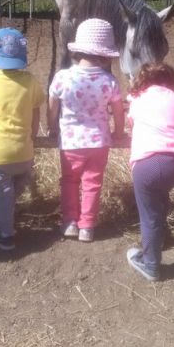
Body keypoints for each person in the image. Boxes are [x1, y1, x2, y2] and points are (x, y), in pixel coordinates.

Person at [48, 18, 125, 243]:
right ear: (105, 55)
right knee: (92, 183)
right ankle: (87, 226)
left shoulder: (62, 77)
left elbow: (52, 106)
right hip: (99, 142)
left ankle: (70, 222)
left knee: (69, 181)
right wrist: (118, 132)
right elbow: (118, 111)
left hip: (70, 142)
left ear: (79, 49)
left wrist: (53, 127)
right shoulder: (109, 81)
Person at [0, 28, 45, 251]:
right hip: (25, 151)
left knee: (3, 194)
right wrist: (32, 135)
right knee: (18, 184)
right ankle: (2, 215)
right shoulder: (31, 81)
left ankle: (5, 234)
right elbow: (36, 111)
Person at [124, 62, 174, 281]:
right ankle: (161, 238)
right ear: (171, 80)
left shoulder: (137, 99)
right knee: (161, 199)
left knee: (149, 216)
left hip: (146, 163)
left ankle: (151, 265)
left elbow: (131, 125)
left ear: (143, 80)